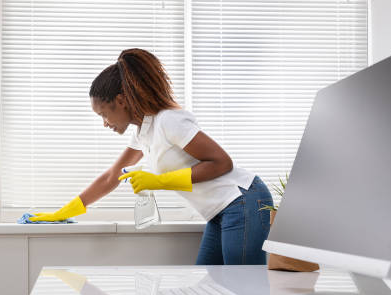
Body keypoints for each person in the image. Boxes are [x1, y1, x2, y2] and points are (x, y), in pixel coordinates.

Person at [30, 48, 273, 265]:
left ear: (121, 101)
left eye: (104, 114)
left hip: (242, 199)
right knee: (209, 291)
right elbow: (111, 177)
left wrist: (159, 181)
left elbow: (221, 162)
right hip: (219, 211)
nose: (105, 124)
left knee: (244, 288)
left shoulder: (169, 120)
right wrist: (65, 211)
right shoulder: (143, 132)